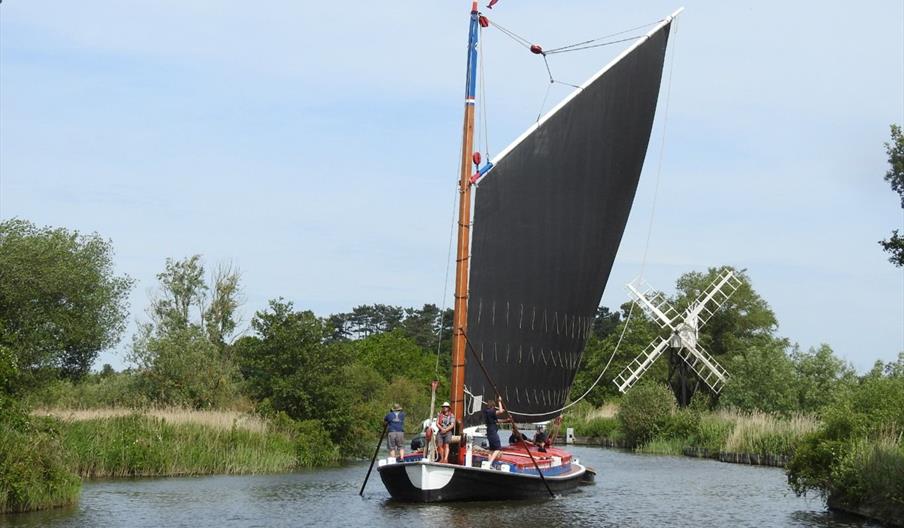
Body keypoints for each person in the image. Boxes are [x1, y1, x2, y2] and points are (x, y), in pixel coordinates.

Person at [483, 397, 508, 466]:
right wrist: (499, 401)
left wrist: (506, 420)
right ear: (493, 406)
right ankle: (490, 463)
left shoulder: (487, 412)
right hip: (493, 432)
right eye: (494, 406)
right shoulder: (491, 411)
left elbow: (496, 420)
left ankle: (488, 466)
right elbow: (500, 411)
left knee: (491, 450)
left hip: (489, 432)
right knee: (498, 449)